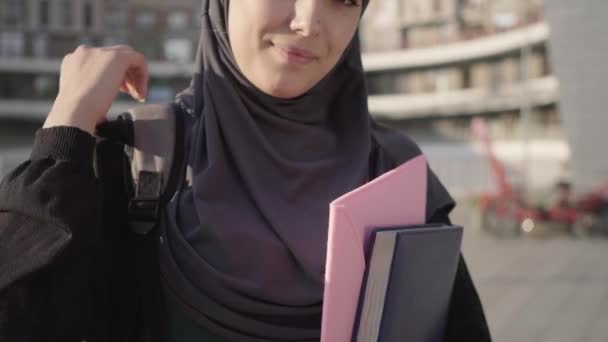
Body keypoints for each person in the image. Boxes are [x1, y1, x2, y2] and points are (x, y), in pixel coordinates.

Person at [0, 0, 491, 341]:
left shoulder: (393, 175)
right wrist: (67, 124)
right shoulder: (135, 159)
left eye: (344, 0)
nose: (309, 21)